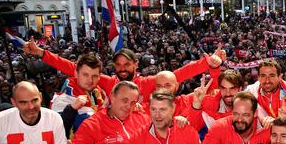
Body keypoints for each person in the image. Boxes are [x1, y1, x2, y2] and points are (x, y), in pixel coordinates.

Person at [23, 38, 222, 101]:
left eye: (127, 64)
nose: (122, 68)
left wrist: (209, 64)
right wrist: (42, 54)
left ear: (136, 65)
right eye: (118, 65)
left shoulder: (147, 83)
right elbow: (74, 68)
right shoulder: (109, 83)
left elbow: (179, 74)